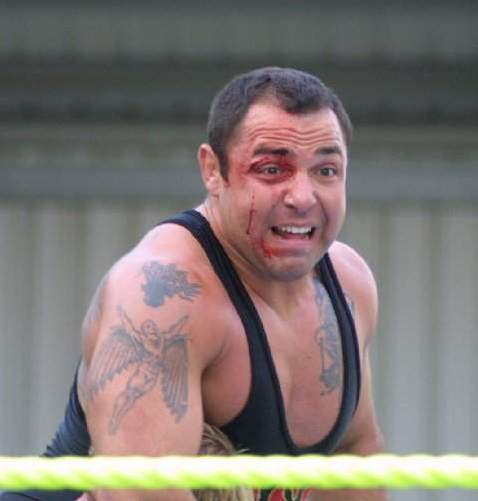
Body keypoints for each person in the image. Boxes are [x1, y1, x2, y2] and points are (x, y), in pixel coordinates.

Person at [1, 67, 385, 501]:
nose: (302, 196)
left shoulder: (349, 286)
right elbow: (137, 496)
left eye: (326, 171)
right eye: (272, 169)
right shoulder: (162, 296)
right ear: (213, 170)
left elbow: (356, 455)